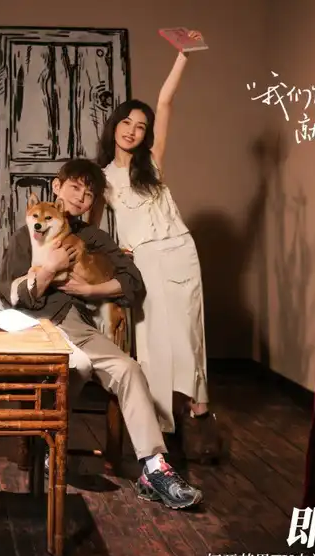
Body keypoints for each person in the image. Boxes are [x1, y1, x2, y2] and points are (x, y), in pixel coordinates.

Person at [0, 158, 202, 509]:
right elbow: (12, 293)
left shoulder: (93, 238)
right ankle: (50, 447)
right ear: (57, 187)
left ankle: (154, 467)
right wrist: (49, 270)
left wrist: (90, 290)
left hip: (76, 324)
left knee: (129, 369)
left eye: (90, 194)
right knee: (75, 367)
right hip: (37, 326)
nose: (81, 198)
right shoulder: (26, 234)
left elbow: (132, 281)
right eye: (75, 187)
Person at [96, 49, 215, 436]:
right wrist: (114, 253)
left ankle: (197, 410)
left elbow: (165, 101)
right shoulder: (101, 178)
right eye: (126, 122)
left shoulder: (152, 161)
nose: (132, 131)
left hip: (180, 251)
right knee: (152, 338)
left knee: (188, 331)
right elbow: (93, 230)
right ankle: (160, 424)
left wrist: (183, 55)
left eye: (140, 127)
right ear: (115, 125)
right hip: (144, 259)